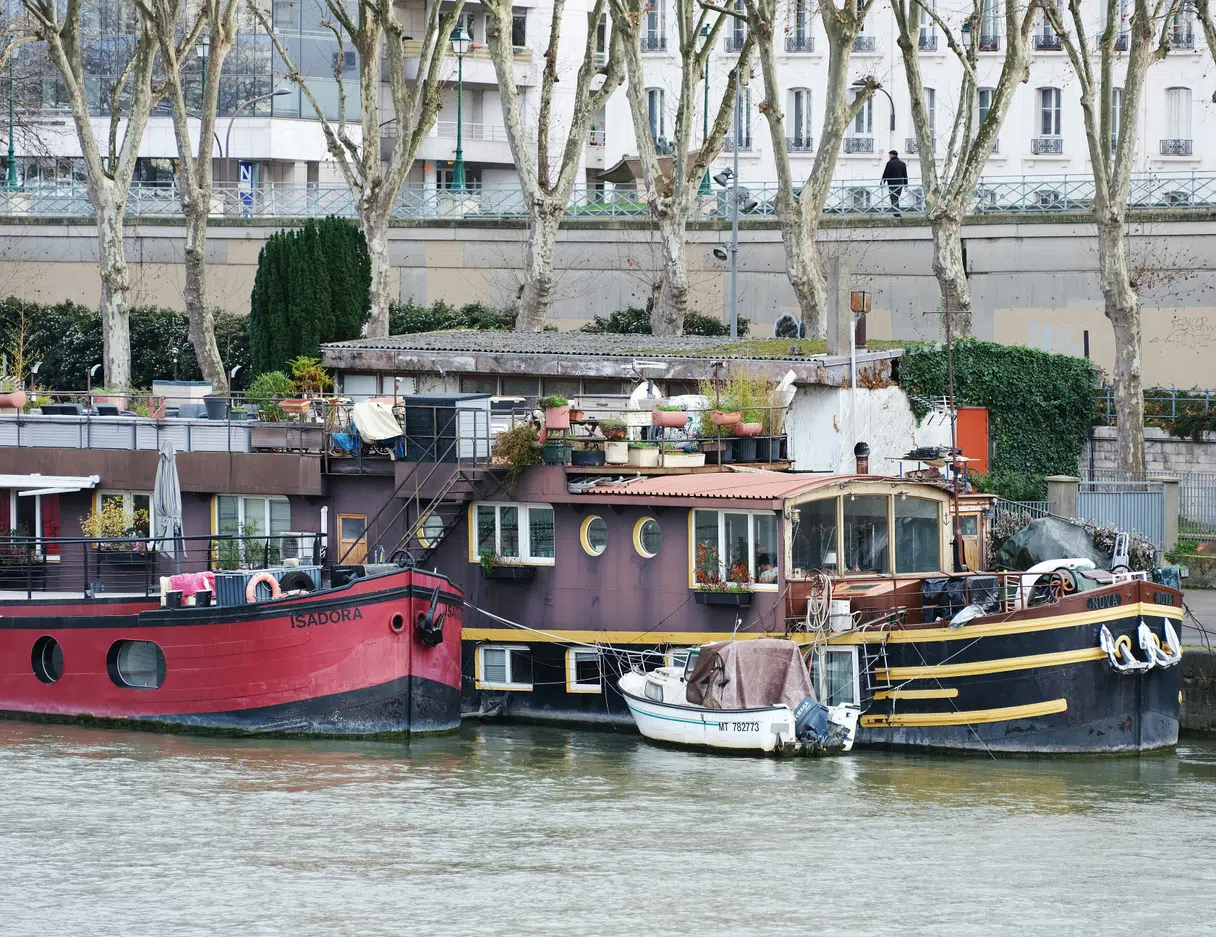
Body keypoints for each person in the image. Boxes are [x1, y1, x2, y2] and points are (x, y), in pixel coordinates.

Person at [882, 150, 908, 216]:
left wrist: (882, 182)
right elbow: (905, 175)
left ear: (893, 155)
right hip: (900, 184)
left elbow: (886, 173)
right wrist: (905, 185)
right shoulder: (902, 164)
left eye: (890, 155)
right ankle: (897, 213)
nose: (889, 156)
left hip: (892, 184)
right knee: (896, 198)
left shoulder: (889, 163)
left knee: (893, 199)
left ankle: (897, 214)